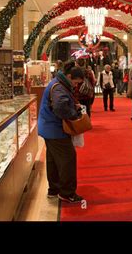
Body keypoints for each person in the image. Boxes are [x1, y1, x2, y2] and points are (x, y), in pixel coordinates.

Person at [38, 61, 85, 203]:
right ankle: (67, 193)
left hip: (48, 128)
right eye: (76, 82)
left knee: (53, 160)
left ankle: (54, 189)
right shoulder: (59, 88)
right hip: (55, 129)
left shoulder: (57, 83)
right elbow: (60, 107)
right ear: (69, 76)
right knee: (68, 159)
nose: (76, 86)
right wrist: (74, 114)